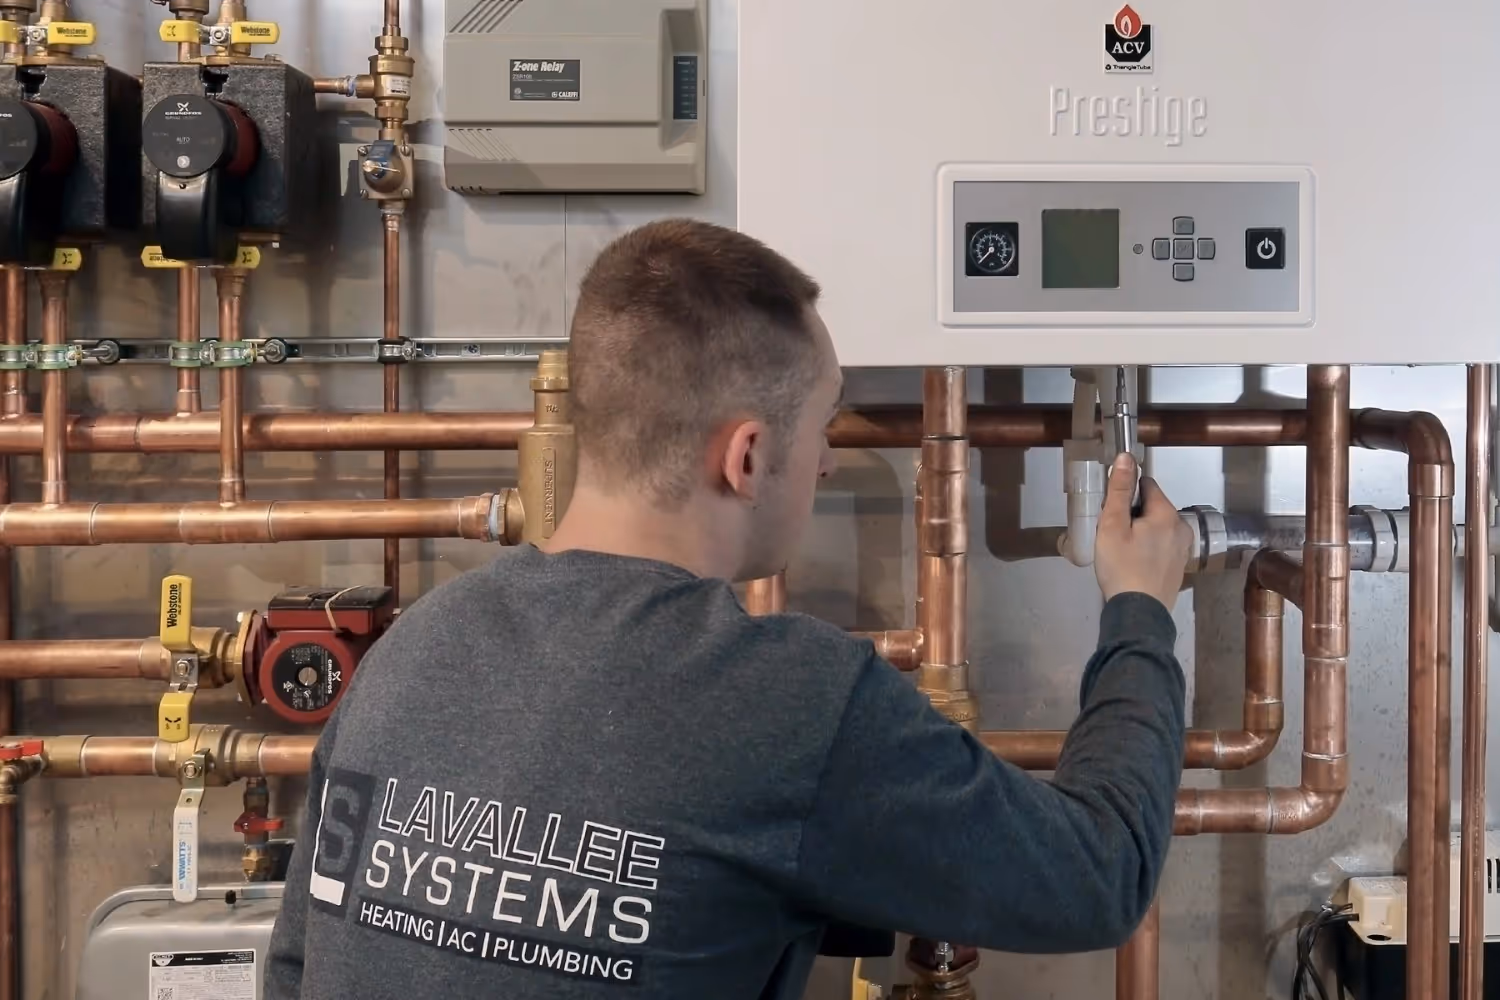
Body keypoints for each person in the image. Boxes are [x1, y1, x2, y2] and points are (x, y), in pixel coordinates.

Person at [266, 218, 1193, 999]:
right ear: (745, 458)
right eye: (823, 423)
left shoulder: (419, 644)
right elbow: (1100, 874)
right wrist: (1141, 606)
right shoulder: (786, 702)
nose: (827, 460)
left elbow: (294, 967)